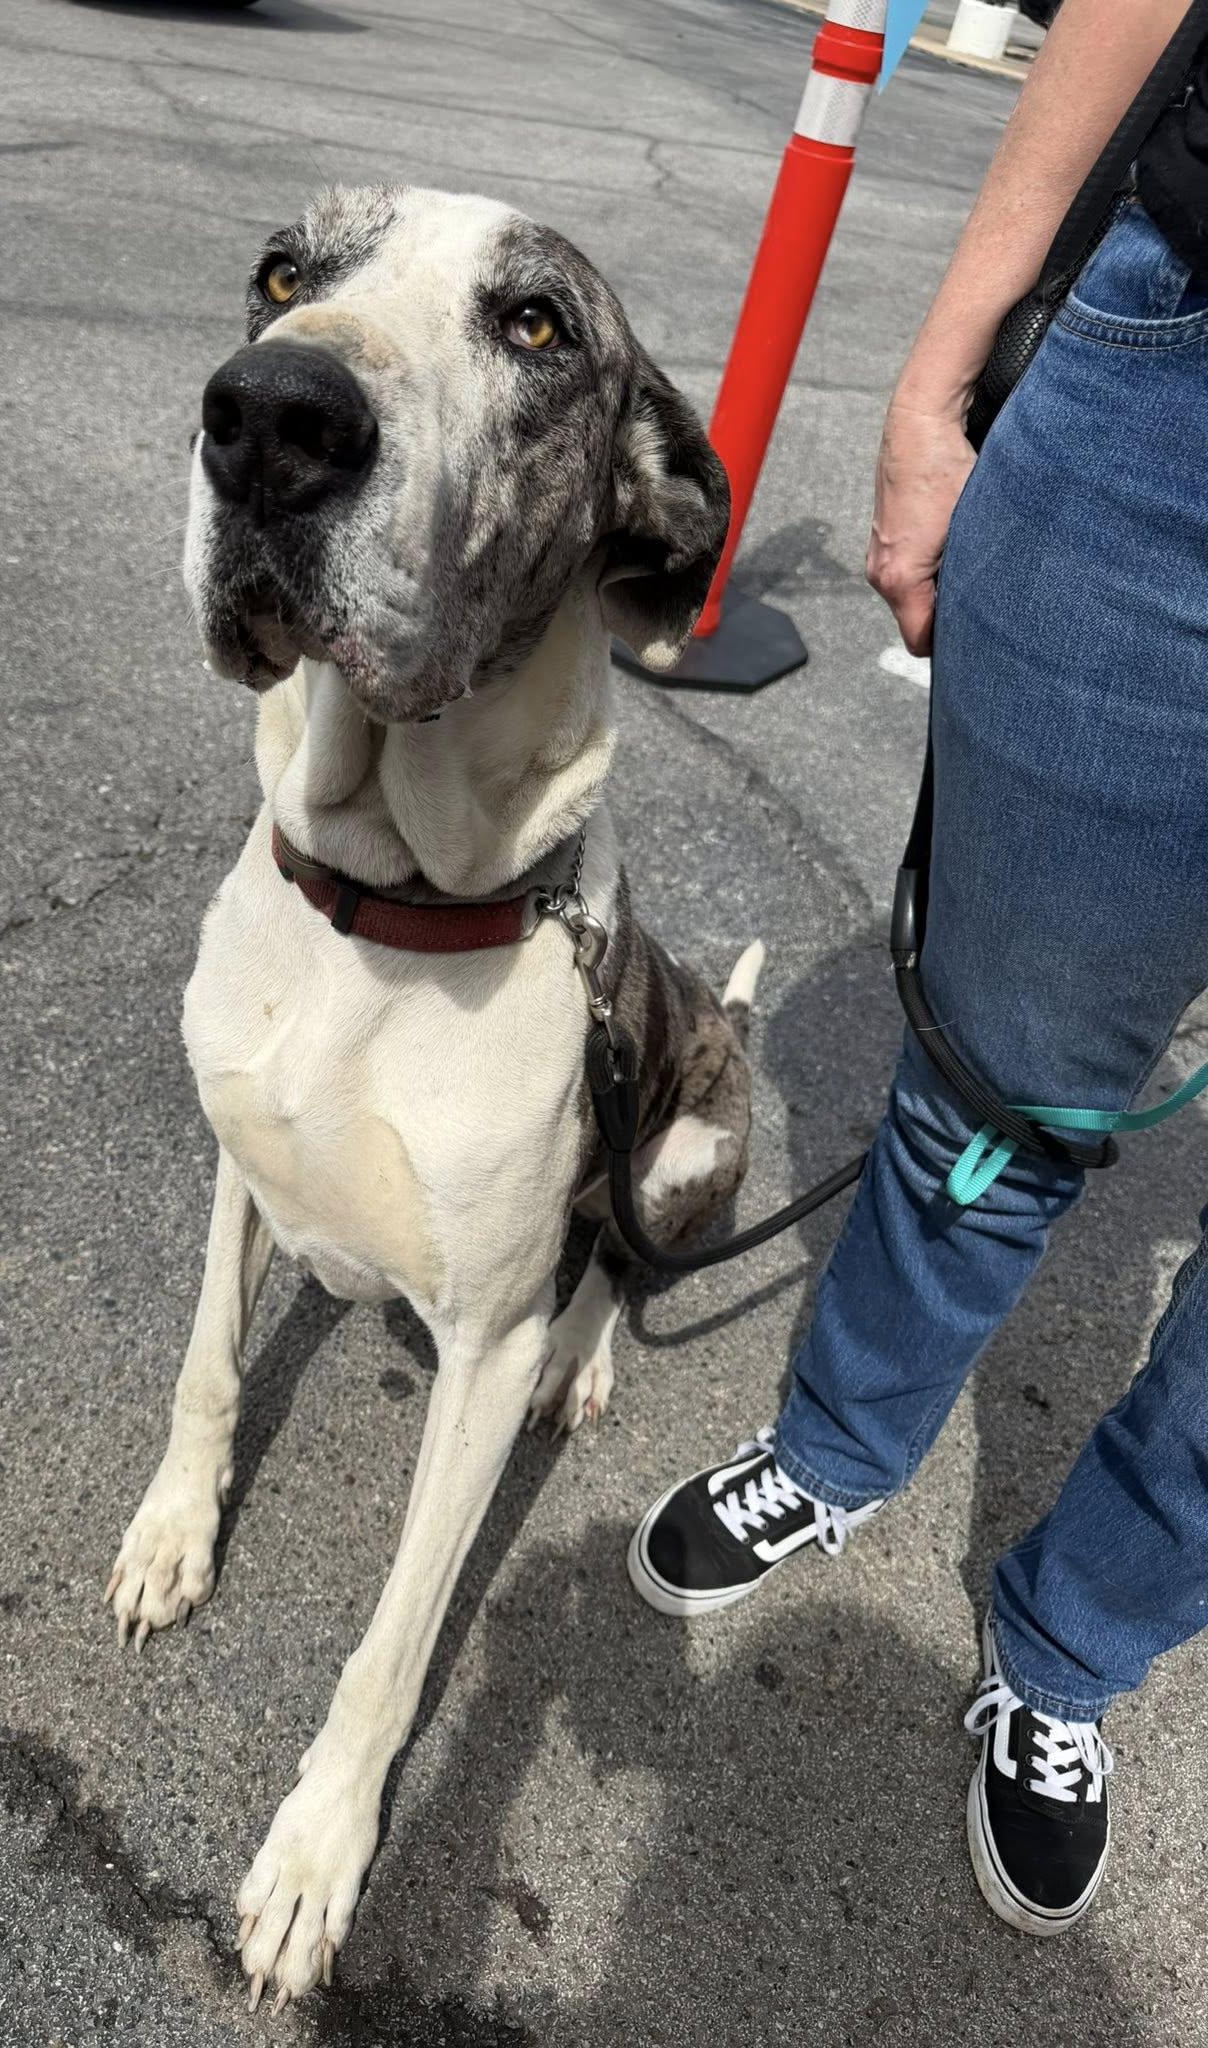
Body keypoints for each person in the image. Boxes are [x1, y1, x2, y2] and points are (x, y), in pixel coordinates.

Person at [628, 0, 1208, 1937]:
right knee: (1005, 1073)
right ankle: (838, 1441)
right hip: (1182, 408)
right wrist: (947, 370)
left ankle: (1074, 1643)